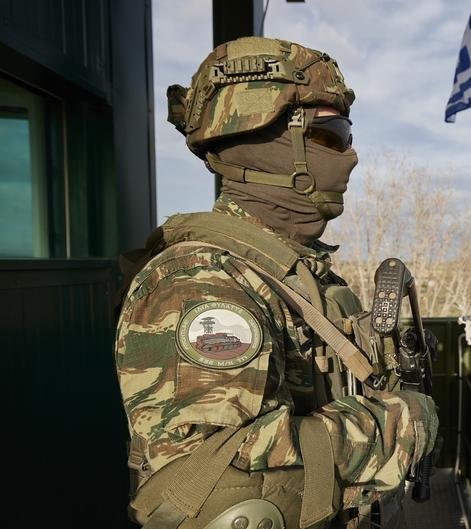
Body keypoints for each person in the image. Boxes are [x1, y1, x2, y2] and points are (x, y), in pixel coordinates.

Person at [114, 36, 438, 529]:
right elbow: (223, 500)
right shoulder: (201, 282)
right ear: (262, 139)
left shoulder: (283, 269)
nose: (350, 157)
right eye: (332, 135)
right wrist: (400, 424)